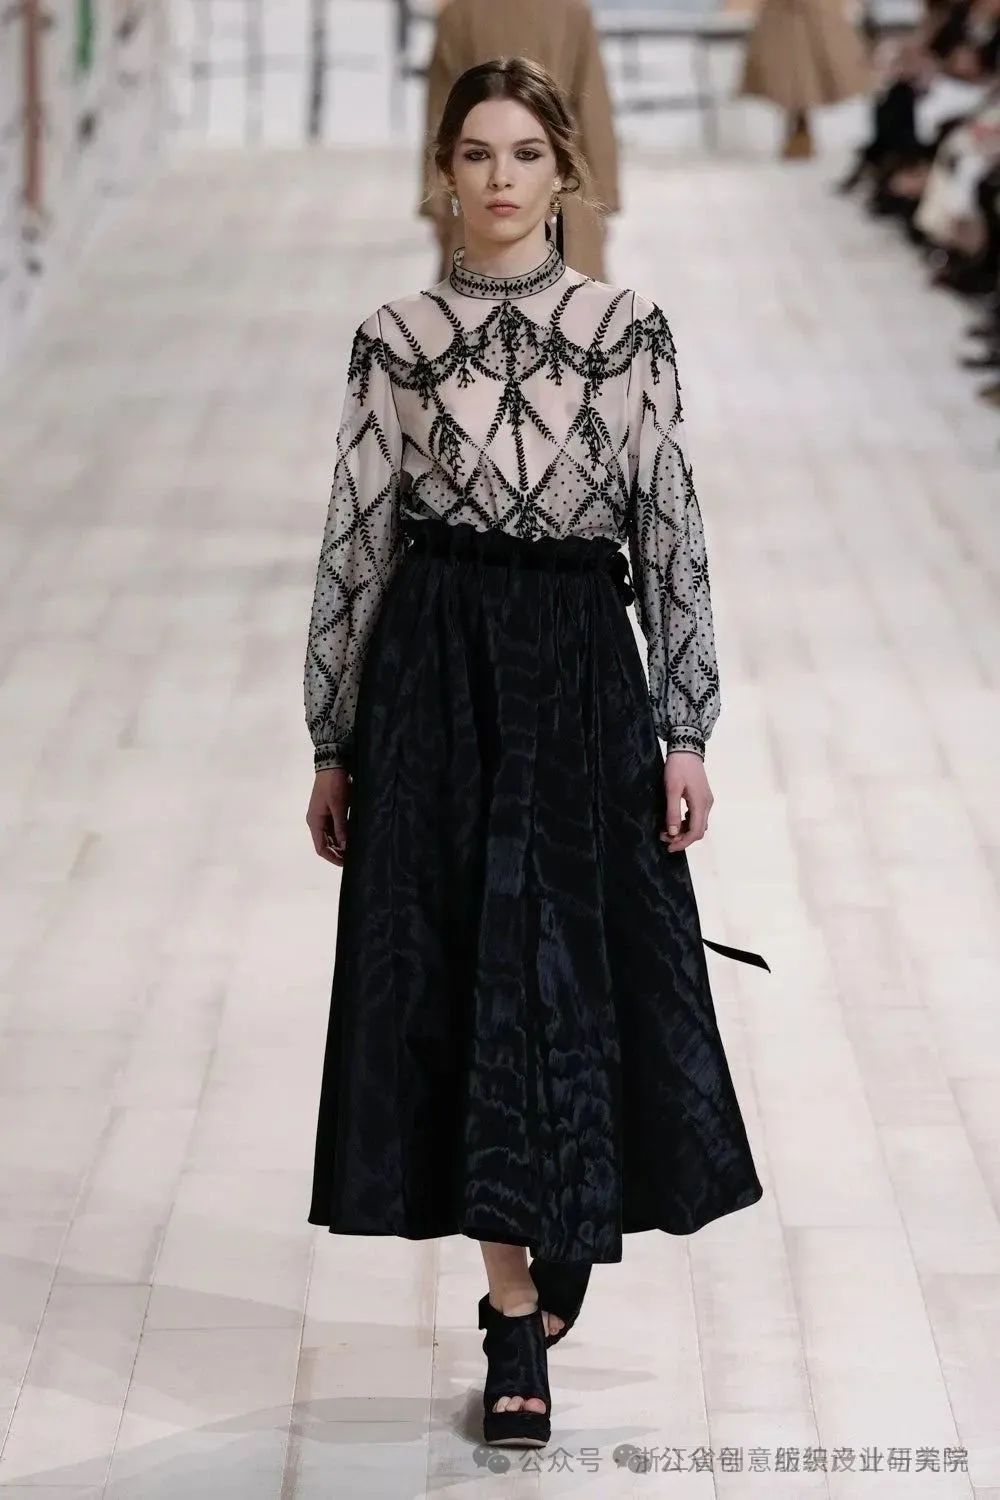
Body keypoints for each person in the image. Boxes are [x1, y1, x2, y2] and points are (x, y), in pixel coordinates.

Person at [303, 56, 768, 1450]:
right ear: (444, 176)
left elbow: (670, 524)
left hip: (578, 671)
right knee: (468, 972)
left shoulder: (626, 330)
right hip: (438, 679)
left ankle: (560, 1215)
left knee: (580, 962)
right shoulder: (394, 337)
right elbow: (355, 539)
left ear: (565, 172)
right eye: (476, 154)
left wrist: (686, 725)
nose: (500, 178)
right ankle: (513, 1312)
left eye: (524, 154)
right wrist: (333, 737)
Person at [417, 0, 620, 281]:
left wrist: (437, 203)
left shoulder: (457, 13)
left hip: (479, 190)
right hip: (561, 187)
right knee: (574, 300)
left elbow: (440, 117)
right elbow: (593, 110)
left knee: (475, 300)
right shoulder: (572, 11)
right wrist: (604, 198)